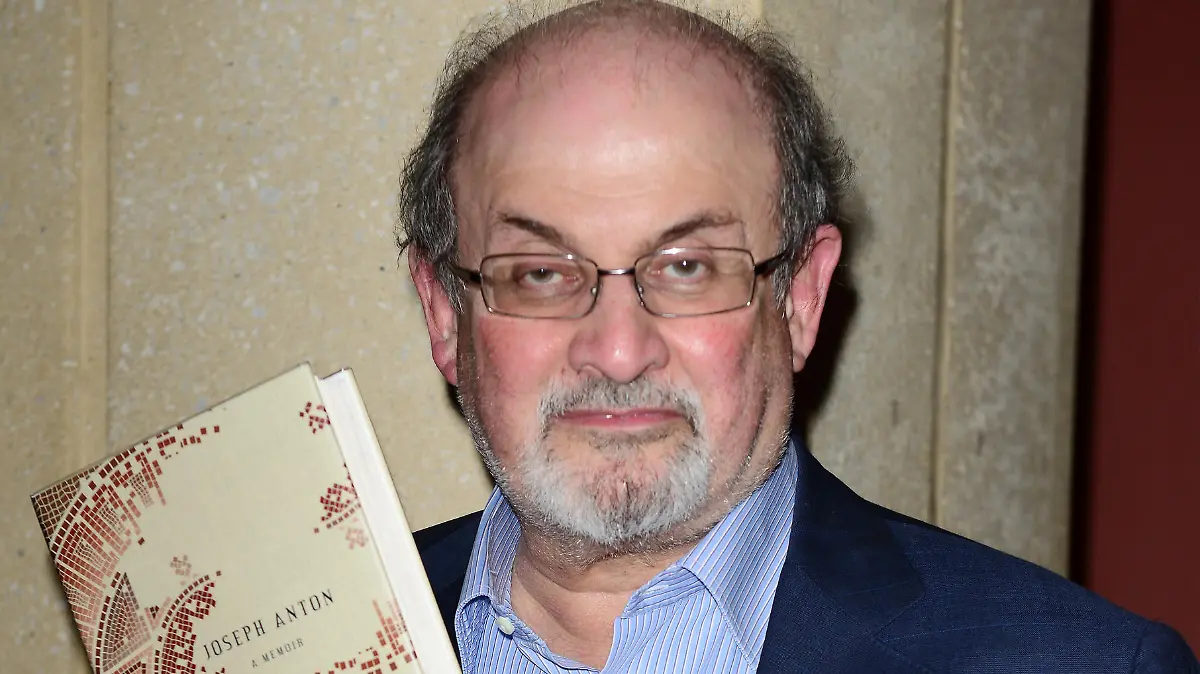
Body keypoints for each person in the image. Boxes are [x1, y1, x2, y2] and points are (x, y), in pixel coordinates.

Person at [397, 1, 1199, 672]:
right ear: (443, 313)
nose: (616, 349)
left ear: (801, 297)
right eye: (540, 273)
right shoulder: (305, 630)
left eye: (687, 268)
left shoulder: (1079, 665)